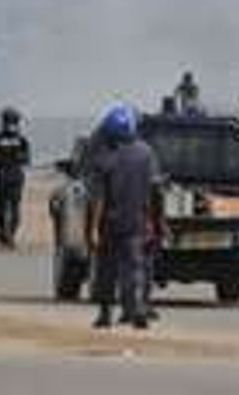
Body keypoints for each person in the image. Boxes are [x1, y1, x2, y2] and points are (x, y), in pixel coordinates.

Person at [87, 103, 163, 330]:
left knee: (106, 271)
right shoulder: (146, 153)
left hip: (110, 223)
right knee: (135, 268)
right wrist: (155, 222)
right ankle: (137, 308)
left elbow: (98, 198)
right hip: (137, 222)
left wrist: (92, 229)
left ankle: (105, 314)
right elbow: (153, 193)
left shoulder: (104, 158)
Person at [0, 107, 31, 249]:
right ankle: (3, 233)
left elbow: (27, 157)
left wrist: (19, 158)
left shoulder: (21, 139)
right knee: (3, 207)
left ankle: (9, 234)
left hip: (13, 175)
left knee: (13, 207)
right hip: (3, 174)